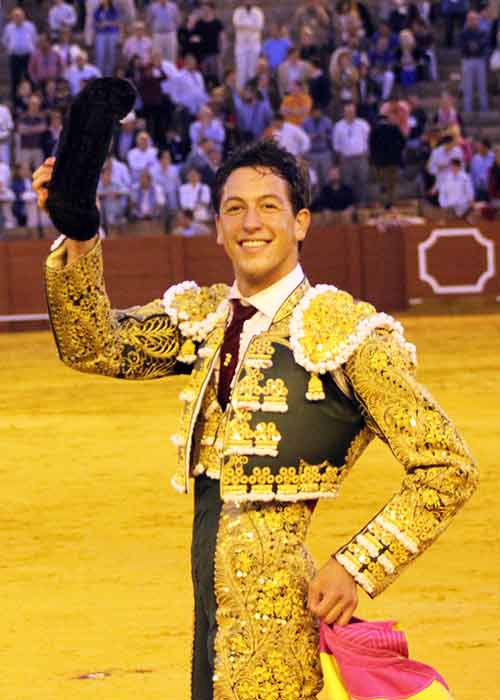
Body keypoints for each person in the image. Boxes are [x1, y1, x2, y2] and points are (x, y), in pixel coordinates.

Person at [34, 136, 478, 700]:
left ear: (301, 223)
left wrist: (357, 565)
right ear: (218, 227)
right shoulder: (205, 320)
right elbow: (94, 346)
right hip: (210, 615)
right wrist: (79, 234)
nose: (251, 223)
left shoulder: (345, 331)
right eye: (235, 209)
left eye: (270, 206)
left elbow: (448, 466)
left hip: (283, 619)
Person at [332, 101, 371, 205]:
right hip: (346, 159)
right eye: (347, 112)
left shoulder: (363, 124)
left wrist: (366, 154)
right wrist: (340, 158)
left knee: (362, 182)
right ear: (344, 113)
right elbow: (336, 144)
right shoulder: (338, 126)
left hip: (361, 157)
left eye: (352, 111)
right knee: (347, 183)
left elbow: (368, 140)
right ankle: (350, 206)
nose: (350, 113)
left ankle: (362, 205)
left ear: (355, 112)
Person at [460, 11, 489, 113]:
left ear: (478, 20)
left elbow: (484, 44)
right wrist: (470, 46)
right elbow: (462, 46)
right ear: (467, 21)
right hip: (467, 60)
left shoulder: (483, 32)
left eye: (474, 19)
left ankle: (484, 110)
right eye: (470, 19)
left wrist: (476, 46)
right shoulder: (463, 33)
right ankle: (467, 110)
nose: (472, 21)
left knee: (482, 86)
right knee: (467, 87)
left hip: (480, 60)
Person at [233, 2, 264, 89]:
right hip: (241, 46)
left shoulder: (258, 12)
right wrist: (251, 27)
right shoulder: (238, 12)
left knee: (252, 71)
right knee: (241, 71)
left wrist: (245, 27)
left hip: (254, 45)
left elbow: (259, 27)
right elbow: (237, 25)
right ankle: (241, 93)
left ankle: (252, 92)